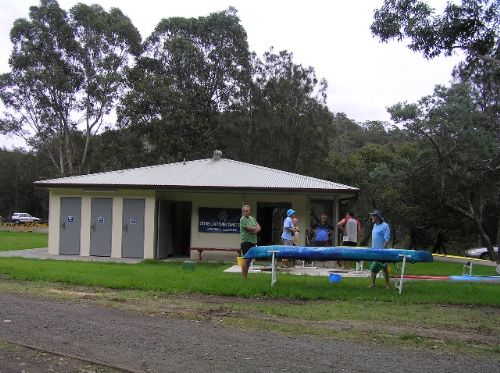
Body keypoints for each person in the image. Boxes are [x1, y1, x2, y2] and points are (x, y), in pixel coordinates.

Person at [368, 209, 391, 288]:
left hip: (381, 251)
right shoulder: (375, 225)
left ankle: (374, 285)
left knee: (374, 268)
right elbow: (375, 238)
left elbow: (386, 239)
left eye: (373, 215)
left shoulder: (385, 226)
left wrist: (382, 250)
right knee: (384, 268)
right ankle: (386, 285)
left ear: (378, 217)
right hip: (374, 250)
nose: (371, 217)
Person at [240, 205, 261, 279]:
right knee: (246, 260)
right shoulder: (242, 219)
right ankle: (244, 278)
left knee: (249, 260)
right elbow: (249, 228)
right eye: (246, 211)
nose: (248, 212)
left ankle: (246, 277)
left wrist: (254, 230)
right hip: (246, 242)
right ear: (243, 212)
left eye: (249, 210)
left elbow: (259, 227)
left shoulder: (252, 218)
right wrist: (255, 229)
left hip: (253, 242)